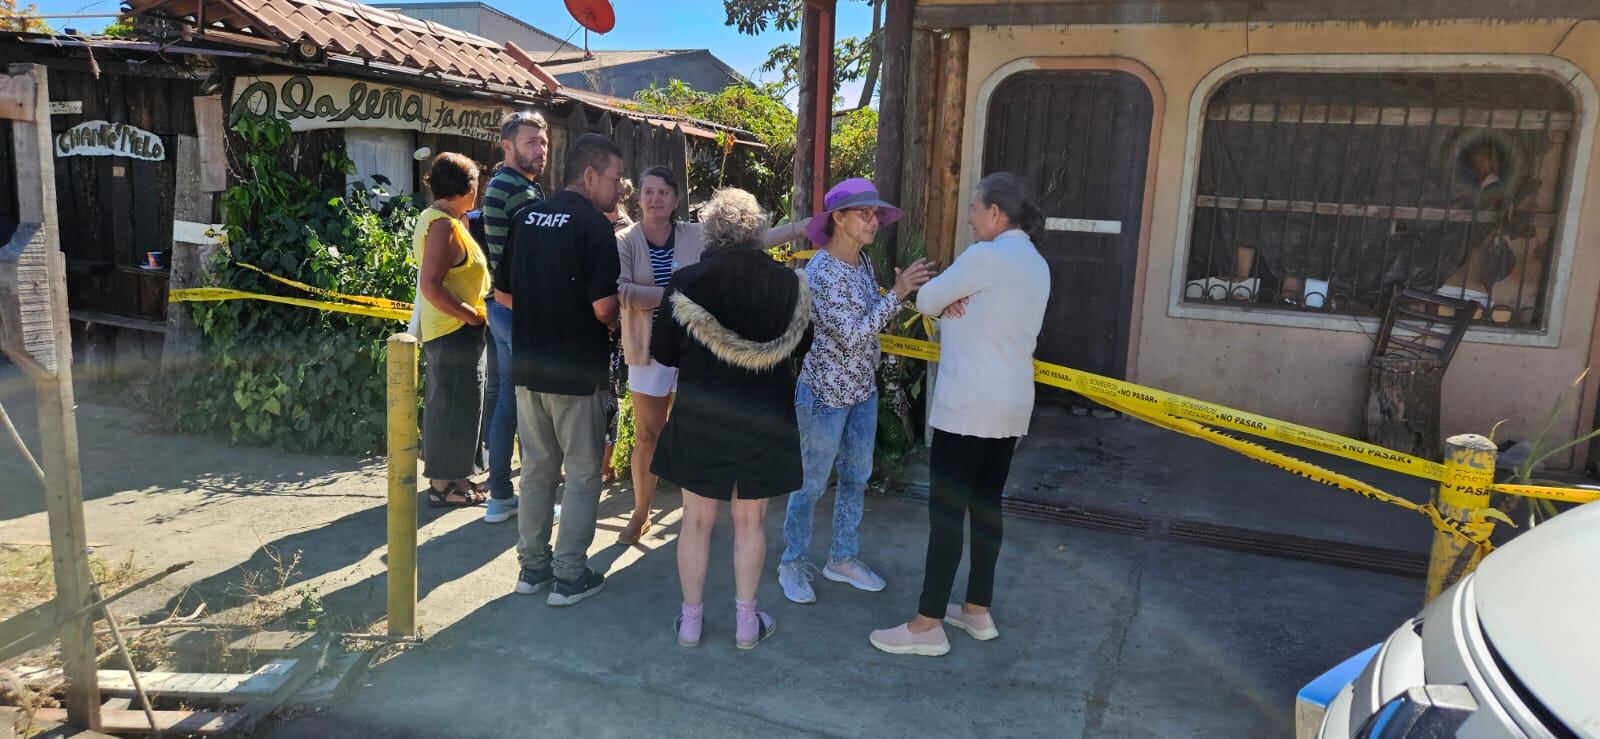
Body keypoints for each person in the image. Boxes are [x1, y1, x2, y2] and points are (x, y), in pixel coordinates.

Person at [869, 172, 1050, 656]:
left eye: (974, 207)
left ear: (995, 213)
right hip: (1011, 404)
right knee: (987, 506)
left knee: (947, 513)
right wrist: (953, 300)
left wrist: (948, 298)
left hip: (968, 405)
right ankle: (976, 609)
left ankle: (927, 624)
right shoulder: (1036, 263)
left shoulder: (985, 256)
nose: (969, 217)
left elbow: (928, 299)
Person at [650, 188, 813, 649]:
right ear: (757, 230)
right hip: (764, 419)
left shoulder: (684, 282)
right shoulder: (789, 283)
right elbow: (803, 344)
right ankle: (746, 624)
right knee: (750, 524)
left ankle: (690, 623)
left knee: (695, 523)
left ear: (710, 231)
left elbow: (663, 352)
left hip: (701, 418)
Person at [614, 166, 809, 545]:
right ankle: (641, 512)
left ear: (675, 199)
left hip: (699, 345)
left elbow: (749, 237)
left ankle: (694, 512)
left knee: (696, 428)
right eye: (648, 191)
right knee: (647, 434)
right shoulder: (626, 240)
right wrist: (679, 297)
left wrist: (799, 227)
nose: (655, 199)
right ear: (638, 197)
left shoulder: (695, 232)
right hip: (649, 348)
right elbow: (622, 291)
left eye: (663, 192)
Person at [778, 179, 934, 603]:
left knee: (855, 478)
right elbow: (852, 334)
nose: (873, 221)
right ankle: (791, 563)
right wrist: (897, 295)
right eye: (864, 214)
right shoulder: (820, 272)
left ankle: (842, 558)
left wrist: (897, 297)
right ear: (838, 219)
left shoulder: (861, 261)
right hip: (824, 397)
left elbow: (868, 320)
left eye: (875, 214)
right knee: (810, 484)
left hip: (862, 392)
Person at [495, 133, 624, 607]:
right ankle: (570, 576)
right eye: (615, 178)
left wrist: (543, 315)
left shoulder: (526, 218)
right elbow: (603, 307)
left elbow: (503, 294)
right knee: (584, 472)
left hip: (529, 367)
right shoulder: (594, 226)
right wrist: (616, 319)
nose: (620, 188)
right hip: (576, 372)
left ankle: (532, 570)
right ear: (590, 176)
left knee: (536, 469)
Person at [480, 111, 549, 524]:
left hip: (501, 307)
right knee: (532, 407)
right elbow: (539, 257)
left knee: (509, 400)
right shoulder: (517, 190)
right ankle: (528, 500)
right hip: (520, 309)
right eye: (530, 142)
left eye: (543, 142)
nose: (540, 150)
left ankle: (500, 495)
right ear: (507, 146)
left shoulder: (509, 184)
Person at [413, 153, 491, 509]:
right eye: (476, 181)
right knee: (452, 406)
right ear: (465, 186)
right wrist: (470, 316)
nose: (479, 188)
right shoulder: (443, 226)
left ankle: (458, 477)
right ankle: (442, 486)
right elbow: (431, 285)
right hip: (453, 329)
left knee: (464, 404)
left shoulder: (445, 219)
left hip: (453, 328)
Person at [601, 178, 636, 484]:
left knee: (609, 394)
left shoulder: (624, 229)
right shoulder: (595, 222)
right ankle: (600, 463)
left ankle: (604, 464)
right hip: (600, 316)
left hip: (611, 320)